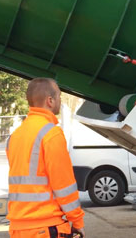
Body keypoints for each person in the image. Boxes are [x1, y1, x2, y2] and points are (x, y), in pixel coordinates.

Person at [6, 78, 85, 238]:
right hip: (45, 227)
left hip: (18, 228)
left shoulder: (15, 136)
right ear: (50, 100)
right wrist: (77, 222)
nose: (60, 100)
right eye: (59, 96)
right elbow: (64, 184)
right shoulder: (51, 134)